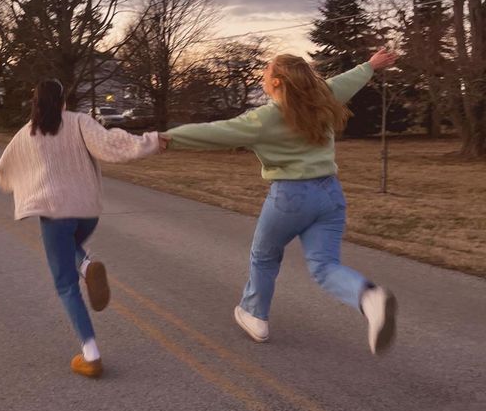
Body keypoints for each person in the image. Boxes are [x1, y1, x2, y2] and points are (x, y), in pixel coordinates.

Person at [161, 49, 399, 355]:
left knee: (264, 256)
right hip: (330, 194)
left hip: (291, 196)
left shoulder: (266, 118)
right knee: (325, 266)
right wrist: (370, 66)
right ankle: (369, 298)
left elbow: (217, 133)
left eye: (265, 70)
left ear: (276, 81)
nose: (262, 74)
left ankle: (255, 315)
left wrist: (169, 138)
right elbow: (346, 82)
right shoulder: (323, 97)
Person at [0, 79, 160, 378]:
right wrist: (152, 142)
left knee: (65, 285)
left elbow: (4, 169)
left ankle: (91, 355)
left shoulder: (27, 134)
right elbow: (113, 145)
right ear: (63, 102)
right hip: (87, 212)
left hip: (55, 215)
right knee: (71, 248)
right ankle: (85, 264)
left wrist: (16, 184)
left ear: (36, 104)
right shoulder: (80, 122)